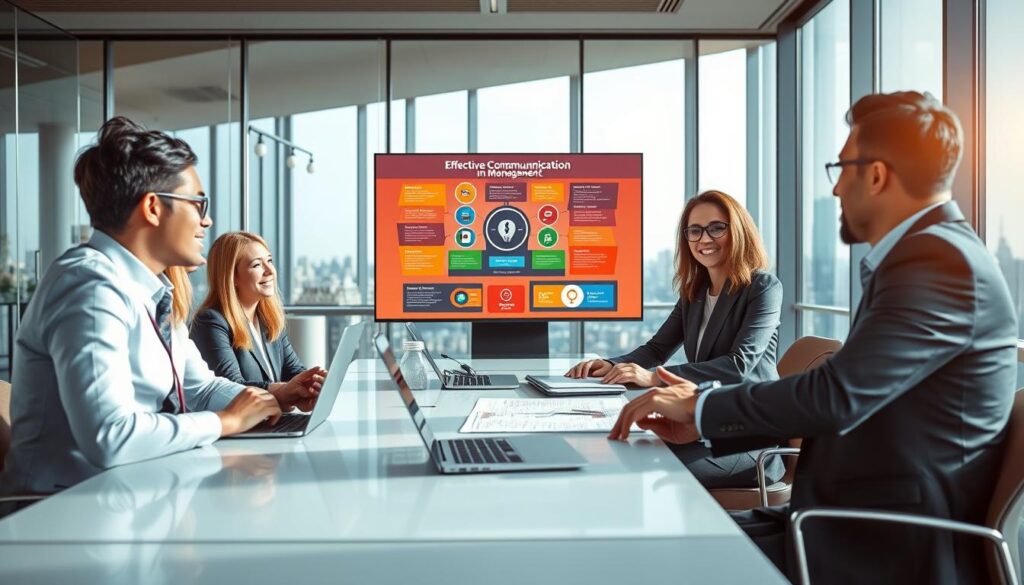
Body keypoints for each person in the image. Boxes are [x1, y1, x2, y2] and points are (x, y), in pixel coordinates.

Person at [609, 91, 1018, 585]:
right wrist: (700, 419)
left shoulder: (937, 264)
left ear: (876, 174)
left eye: (841, 168)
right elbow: (848, 394)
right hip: (846, 517)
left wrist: (699, 410)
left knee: (648, 559)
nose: (836, 189)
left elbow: (835, 395)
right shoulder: (927, 256)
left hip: (880, 540)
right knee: (651, 545)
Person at [0, 116, 317, 497]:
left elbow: (198, 389)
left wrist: (275, 398)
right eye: (198, 203)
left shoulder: (152, 292)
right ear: (152, 207)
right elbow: (110, 437)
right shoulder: (90, 287)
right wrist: (225, 422)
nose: (207, 220)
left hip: (133, 492)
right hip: (64, 509)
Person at [566, 190, 784, 488]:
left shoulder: (762, 287)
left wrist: (654, 378)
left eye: (717, 228)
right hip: (701, 425)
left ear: (738, 232)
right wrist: (609, 364)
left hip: (748, 438)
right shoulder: (695, 292)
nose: (704, 239)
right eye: (695, 231)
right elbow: (657, 349)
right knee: (626, 449)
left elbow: (737, 365)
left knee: (651, 469)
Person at [190, 231, 325, 399]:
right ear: (232, 277)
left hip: (272, 419)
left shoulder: (269, 320)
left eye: (269, 261)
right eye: (257, 265)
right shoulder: (211, 322)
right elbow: (231, 388)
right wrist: (283, 393)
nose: (269, 271)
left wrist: (312, 386)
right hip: (243, 424)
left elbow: (294, 372)